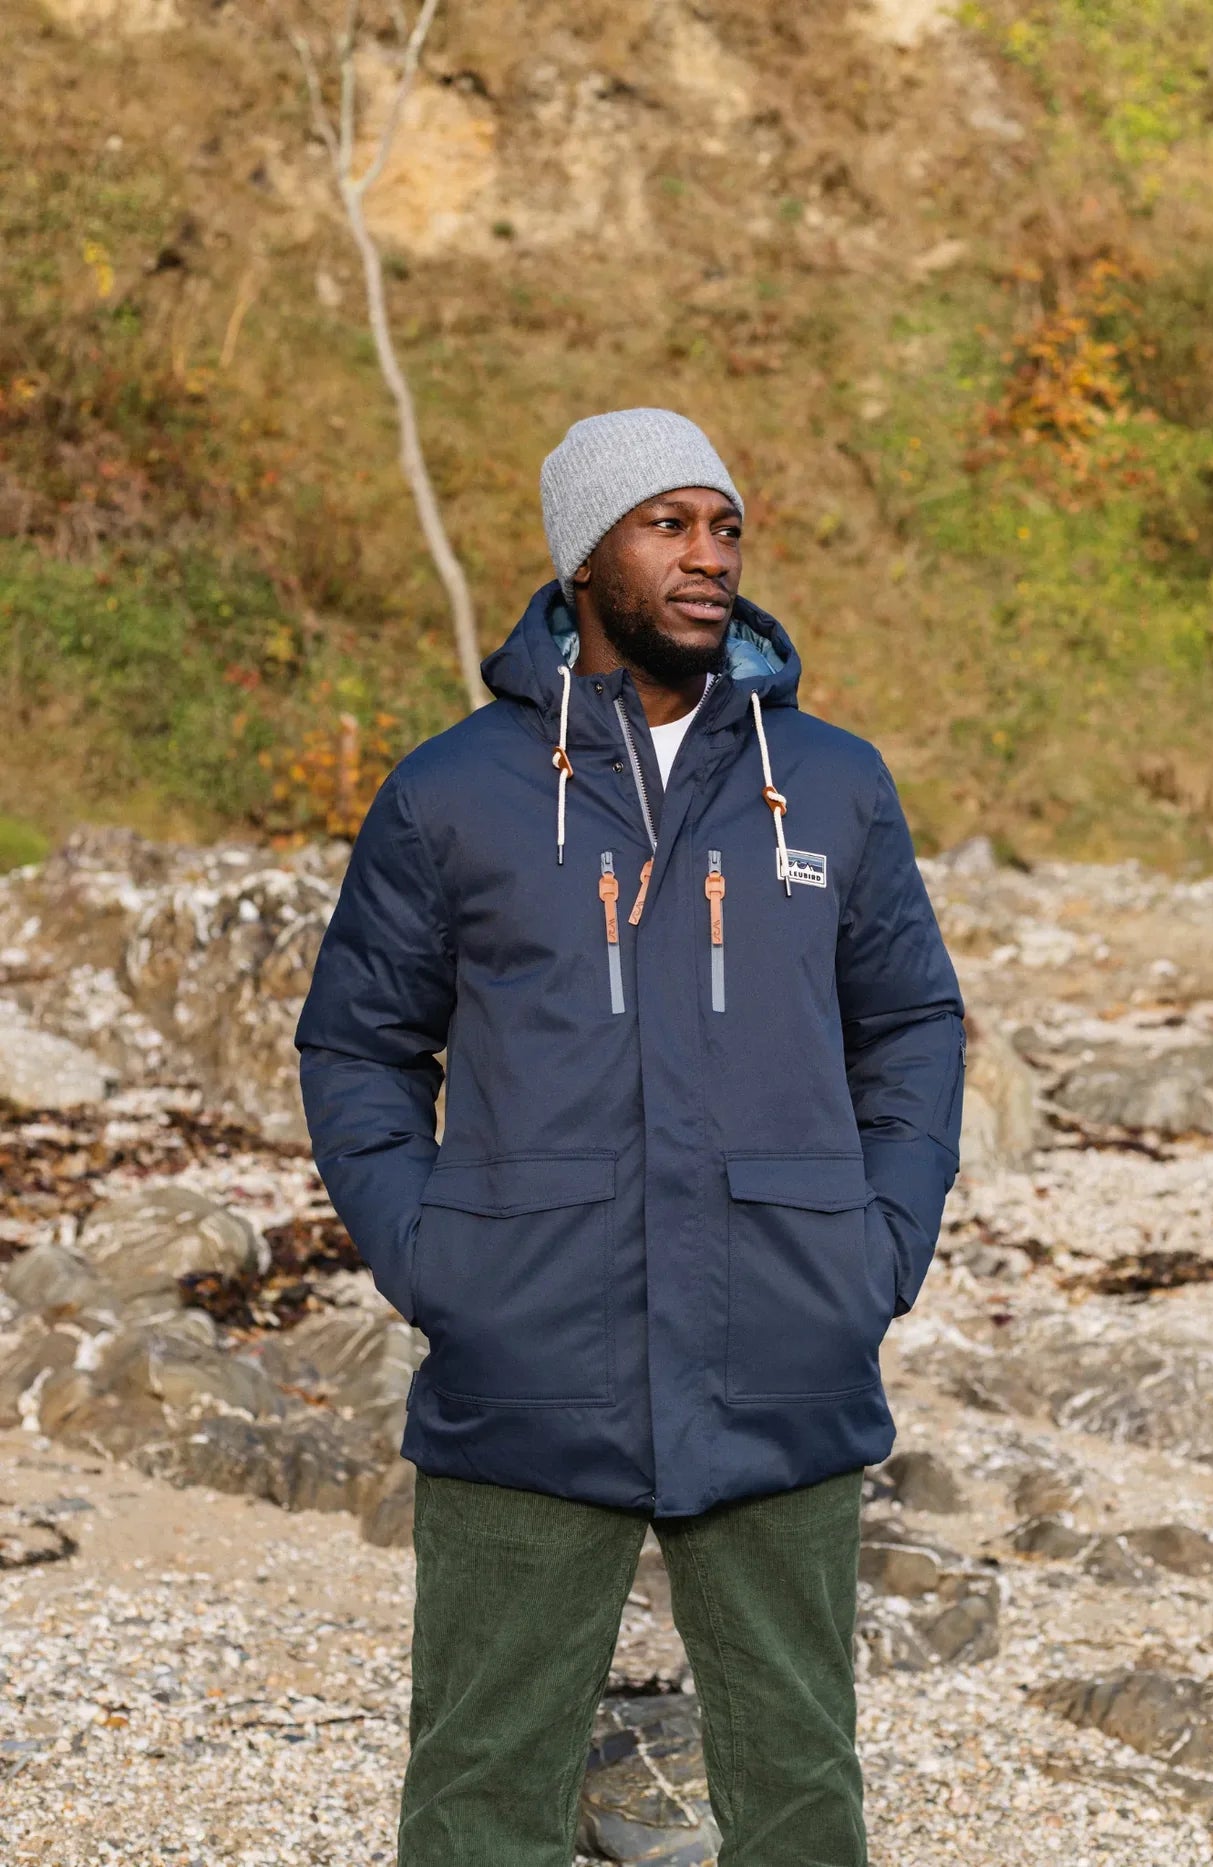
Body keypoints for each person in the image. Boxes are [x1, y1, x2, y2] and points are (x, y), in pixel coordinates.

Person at [295, 407, 966, 1866]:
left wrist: (878, 1245)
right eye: (668, 524)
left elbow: (911, 1023)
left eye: (725, 526)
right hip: (530, 1357)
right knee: (480, 1798)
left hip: (783, 1340)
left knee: (800, 1797)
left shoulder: (835, 784)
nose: (709, 556)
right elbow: (357, 1042)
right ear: (583, 559)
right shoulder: (452, 792)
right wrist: (437, 1252)